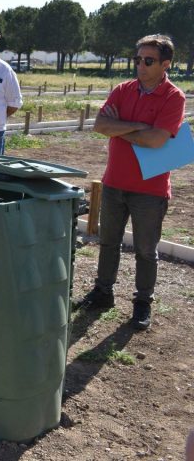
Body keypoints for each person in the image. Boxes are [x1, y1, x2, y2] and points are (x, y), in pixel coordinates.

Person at [74, 34, 185, 330]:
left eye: (148, 61)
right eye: (137, 59)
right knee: (108, 242)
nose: (141, 65)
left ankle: (142, 303)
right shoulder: (123, 90)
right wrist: (138, 127)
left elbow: (157, 139)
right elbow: (100, 125)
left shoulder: (174, 97)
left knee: (146, 250)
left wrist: (120, 129)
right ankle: (103, 292)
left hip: (150, 189)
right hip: (114, 184)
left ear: (166, 64)